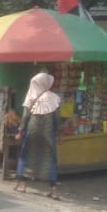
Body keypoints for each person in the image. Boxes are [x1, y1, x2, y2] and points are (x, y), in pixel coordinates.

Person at [14, 72, 62, 200]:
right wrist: (60, 132)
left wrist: (20, 131)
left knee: (26, 154)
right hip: (48, 131)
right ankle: (54, 191)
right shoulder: (54, 98)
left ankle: (23, 185)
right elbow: (57, 118)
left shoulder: (30, 96)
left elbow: (25, 117)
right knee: (50, 158)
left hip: (32, 130)